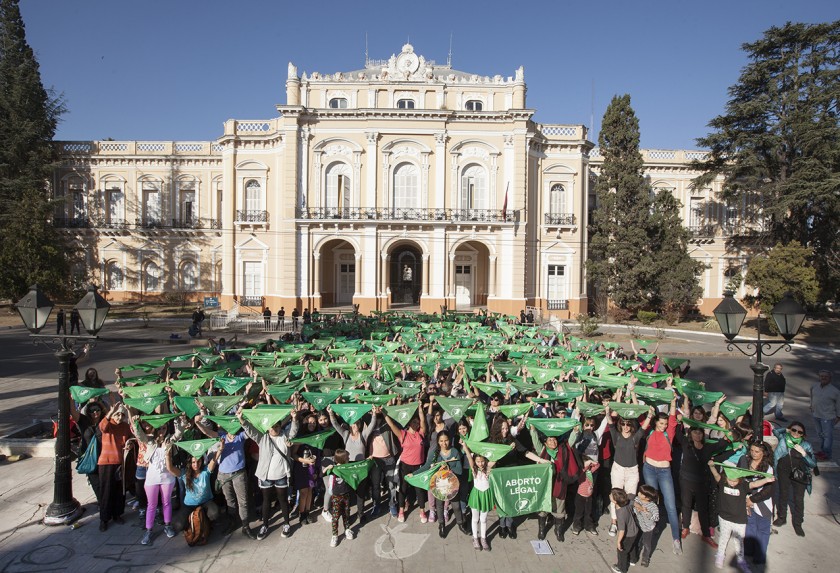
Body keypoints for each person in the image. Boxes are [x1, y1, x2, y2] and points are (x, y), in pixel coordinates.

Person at [195, 402, 257, 539]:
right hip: (223, 475)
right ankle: (232, 522)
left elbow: (251, 432)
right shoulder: (221, 436)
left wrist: (243, 417)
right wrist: (198, 423)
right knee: (230, 501)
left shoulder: (241, 436)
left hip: (239, 474)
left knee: (243, 501)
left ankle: (245, 526)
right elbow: (207, 432)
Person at [236, 404, 299, 540]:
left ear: (280, 426)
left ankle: (286, 524)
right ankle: (265, 525)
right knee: (266, 501)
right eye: (272, 427)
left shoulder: (285, 437)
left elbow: (293, 432)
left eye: (277, 427)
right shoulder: (262, 437)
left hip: (281, 475)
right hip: (265, 476)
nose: (274, 429)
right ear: (268, 428)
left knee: (282, 500)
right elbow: (250, 430)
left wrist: (294, 419)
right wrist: (242, 420)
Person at [708, 461, 775, 570]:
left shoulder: (743, 485)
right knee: (724, 537)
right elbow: (716, 474)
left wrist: (766, 480)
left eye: (735, 481)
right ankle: (720, 555)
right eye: (730, 480)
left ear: (739, 479)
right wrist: (712, 466)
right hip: (724, 517)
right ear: (726, 478)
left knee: (739, 541)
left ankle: (740, 560)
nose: (732, 483)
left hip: (739, 519)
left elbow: (754, 484)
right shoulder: (722, 482)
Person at [641, 396, 683, 555]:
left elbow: (672, 418)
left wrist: (672, 401)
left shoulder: (669, 433)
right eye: (661, 423)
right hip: (649, 468)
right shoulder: (650, 432)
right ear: (655, 423)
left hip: (665, 471)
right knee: (652, 502)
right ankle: (652, 529)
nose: (664, 426)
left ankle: (676, 539)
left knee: (671, 506)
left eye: (665, 424)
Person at [409, 430, 470, 538]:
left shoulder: (455, 452)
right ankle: (441, 525)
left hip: (452, 484)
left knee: (456, 506)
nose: (444, 443)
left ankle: (460, 524)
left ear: (449, 440)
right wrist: (413, 474)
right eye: (441, 441)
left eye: (446, 440)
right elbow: (426, 466)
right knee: (439, 505)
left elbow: (459, 470)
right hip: (439, 484)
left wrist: (447, 469)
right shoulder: (435, 453)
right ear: (438, 441)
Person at [134, 419, 181, 545]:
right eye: (159, 428)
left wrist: (181, 421)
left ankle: (167, 525)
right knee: (152, 505)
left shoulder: (169, 440)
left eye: (164, 428)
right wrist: (136, 423)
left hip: (167, 477)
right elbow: (139, 434)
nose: (161, 431)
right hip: (152, 478)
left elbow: (179, 433)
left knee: (166, 502)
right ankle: (149, 530)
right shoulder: (149, 441)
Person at [771, 421, 817, 536]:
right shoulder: (783, 438)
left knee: (798, 499)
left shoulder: (806, 445)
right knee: (783, 495)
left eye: (799, 432)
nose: (796, 433)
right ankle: (781, 517)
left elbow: (813, 464)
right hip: (783, 472)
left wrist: (804, 454)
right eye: (794, 430)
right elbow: (775, 431)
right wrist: (786, 430)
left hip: (799, 474)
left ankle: (798, 523)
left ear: (803, 434)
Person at [171, 444, 224, 532]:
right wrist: (167, 454)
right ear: (190, 463)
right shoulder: (184, 473)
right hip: (189, 504)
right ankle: (192, 524)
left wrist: (220, 449)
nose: (196, 464)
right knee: (178, 525)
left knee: (215, 513)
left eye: (198, 461)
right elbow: (170, 468)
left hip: (206, 502)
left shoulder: (206, 470)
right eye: (193, 462)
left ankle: (205, 521)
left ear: (202, 461)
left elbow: (214, 459)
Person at [97, 403, 132, 531]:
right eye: (117, 415)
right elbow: (102, 427)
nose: (119, 417)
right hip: (106, 463)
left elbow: (130, 439)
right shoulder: (108, 424)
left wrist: (129, 445)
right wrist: (110, 413)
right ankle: (104, 518)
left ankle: (117, 514)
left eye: (122, 415)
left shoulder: (125, 426)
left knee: (119, 491)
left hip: (120, 462)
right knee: (106, 491)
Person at [740, 441, 775, 566]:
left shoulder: (769, 468)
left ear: (764, 453)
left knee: (763, 530)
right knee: (750, 526)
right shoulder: (745, 462)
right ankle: (748, 551)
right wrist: (746, 500)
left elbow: (769, 490)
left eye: (757, 451)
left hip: (763, 503)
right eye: (752, 450)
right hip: (747, 500)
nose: (754, 454)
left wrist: (752, 500)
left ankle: (760, 556)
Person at [462, 442, 496, 551]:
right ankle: (475, 538)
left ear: (485, 460)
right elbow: (468, 456)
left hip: (486, 494)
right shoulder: (474, 469)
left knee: (484, 519)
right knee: (475, 518)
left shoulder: (488, 468)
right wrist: (465, 446)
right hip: (476, 495)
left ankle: (483, 538)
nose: (480, 463)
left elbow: (496, 458)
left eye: (482, 461)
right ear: (475, 461)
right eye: (478, 461)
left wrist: (508, 448)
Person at [323, 449, 354, 547]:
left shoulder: (347, 467)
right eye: (347, 458)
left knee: (346, 513)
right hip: (336, 496)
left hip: (346, 494)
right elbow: (322, 473)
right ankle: (335, 535)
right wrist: (328, 467)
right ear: (343, 459)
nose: (349, 459)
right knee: (335, 517)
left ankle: (347, 529)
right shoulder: (334, 468)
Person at [810, 370, 840, 460]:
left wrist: (838, 416)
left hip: (828, 417)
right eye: (822, 376)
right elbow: (812, 396)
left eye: (826, 376)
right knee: (820, 435)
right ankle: (822, 451)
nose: (823, 378)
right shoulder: (814, 387)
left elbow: (839, 404)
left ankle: (827, 454)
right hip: (816, 415)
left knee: (827, 436)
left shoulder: (835, 391)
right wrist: (811, 405)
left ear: (830, 378)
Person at [630, 485, 660, 568]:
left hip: (648, 528)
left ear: (647, 498)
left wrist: (648, 514)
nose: (638, 493)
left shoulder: (653, 506)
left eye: (641, 493)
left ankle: (645, 558)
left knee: (647, 543)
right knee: (637, 541)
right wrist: (636, 508)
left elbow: (656, 518)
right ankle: (635, 555)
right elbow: (632, 503)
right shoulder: (637, 499)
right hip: (639, 524)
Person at [611, 488, 639, 573]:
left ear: (615, 501)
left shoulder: (620, 513)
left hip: (628, 534)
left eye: (611, 495)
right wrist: (641, 508)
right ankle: (633, 560)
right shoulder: (626, 502)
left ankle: (621, 568)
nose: (609, 495)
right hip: (635, 530)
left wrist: (618, 542)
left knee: (622, 551)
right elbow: (634, 503)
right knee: (632, 545)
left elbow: (622, 530)